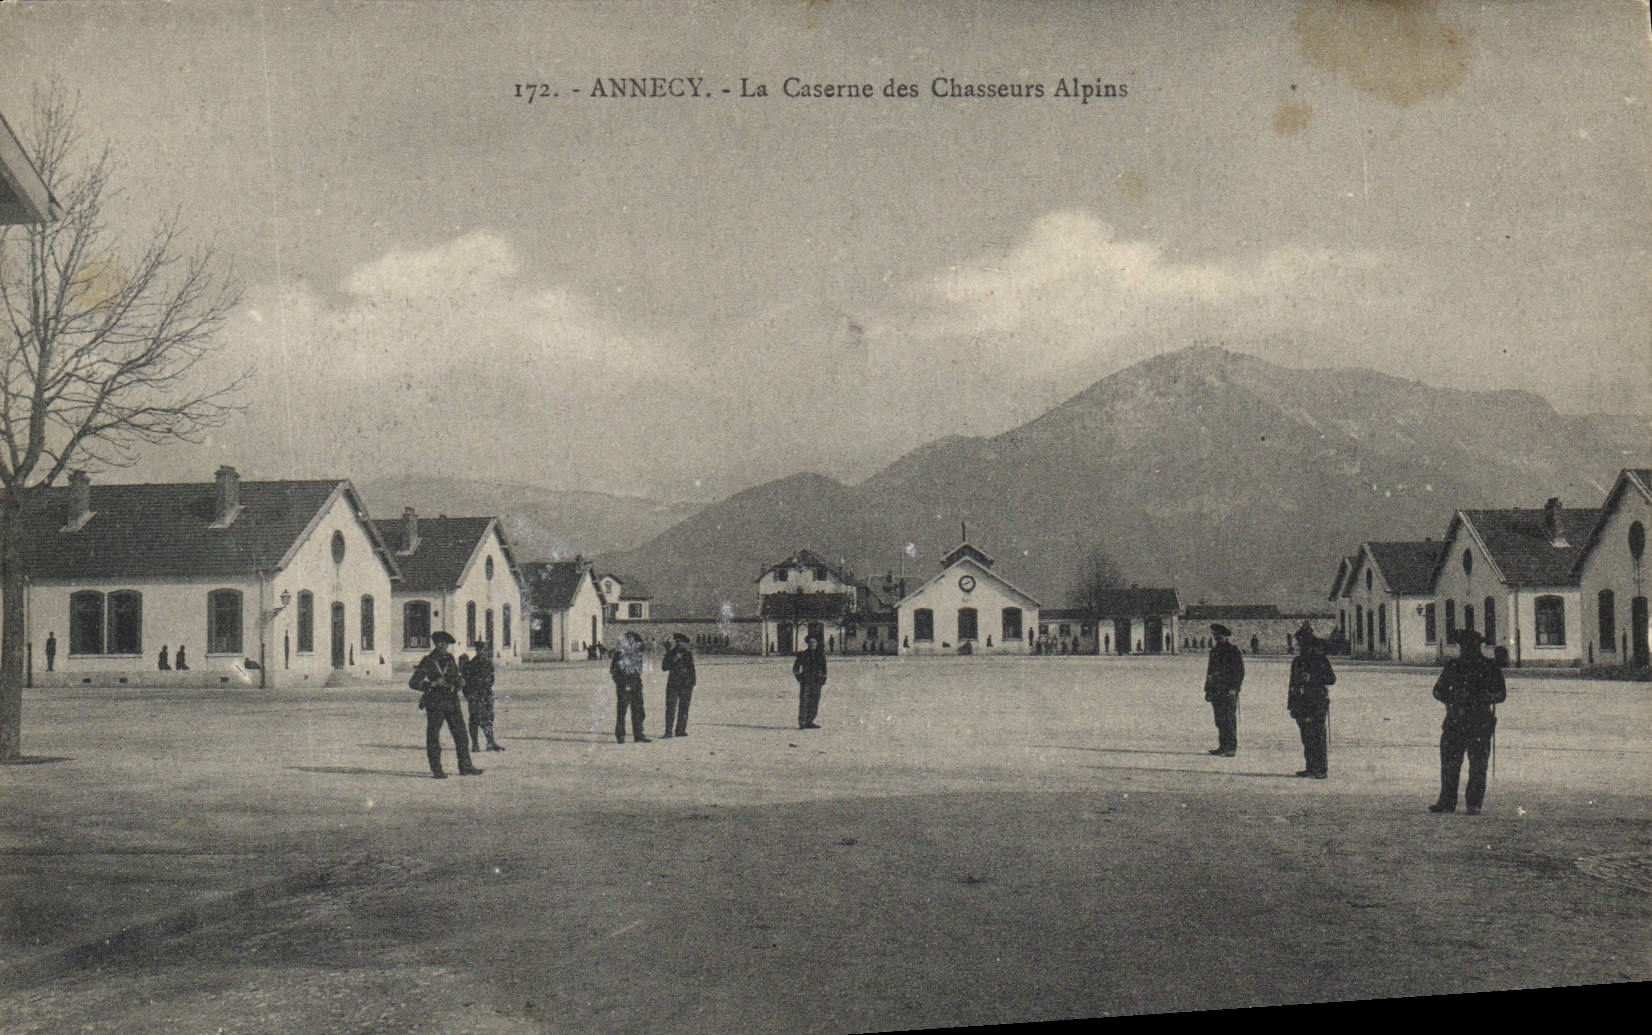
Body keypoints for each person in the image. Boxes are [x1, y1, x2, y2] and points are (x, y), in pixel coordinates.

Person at [1429, 628, 1507, 815]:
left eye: (1470, 646)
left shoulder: (1490, 667)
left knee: (1478, 765)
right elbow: (1438, 690)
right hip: (1455, 721)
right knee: (1449, 764)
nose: (1466, 649)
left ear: (1478, 646)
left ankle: (1474, 803)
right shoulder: (1453, 666)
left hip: (1479, 722)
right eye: (1463, 646)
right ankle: (1447, 801)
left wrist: (1482, 697)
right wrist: (1452, 697)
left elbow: (1501, 694)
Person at [410, 630, 483, 779]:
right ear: (435, 644)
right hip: (435, 701)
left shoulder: (450, 659)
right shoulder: (428, 660)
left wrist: (459, 683)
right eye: (440, 643)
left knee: (461, 735)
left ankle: (465, 766)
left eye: (445, 643)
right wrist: (431, 683)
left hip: (451, 700)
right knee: (434, 736)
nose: (443, 645)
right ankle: (437, 769)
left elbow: (455, 677)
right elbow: (413, 682)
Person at [1286, 622, 1335, 778]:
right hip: (1301, 702)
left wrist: (1313, 677)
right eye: (1299, 643)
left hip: (1317, 701)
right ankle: (1310, 766)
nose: (1299, 646)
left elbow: (1331, 679)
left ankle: (1321, 769)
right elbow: (1292, 684)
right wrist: (1291, 705)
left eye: (1302, 643)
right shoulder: (1297, 661)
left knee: (1317, 735)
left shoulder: (1320, 659)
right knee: (1306, 736)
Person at [1203, 623, 1245, 756]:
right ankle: (1222, 745)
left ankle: (1231, 747)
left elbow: (1239, 671)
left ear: (1226, 636)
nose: (1217, 638)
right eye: (1215, 635)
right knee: (1219, 719)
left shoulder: (1233, 651)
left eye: (1219, 636)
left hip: (1228, 690)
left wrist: (1234, 688)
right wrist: (1208, 690)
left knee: (1228, 719)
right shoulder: (1214, 651)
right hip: (1216, 690)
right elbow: (1210, 672)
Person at [610, 631, 649, 743]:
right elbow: (614, 671)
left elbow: (639, 669)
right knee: (622, 711)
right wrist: (621, 683)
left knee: (638, 710)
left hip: (636, 684)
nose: (633, 643)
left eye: (634, 641)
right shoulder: (619, 654)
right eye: (630, 640)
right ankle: (620, 736)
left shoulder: (637, 654)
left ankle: (639, 734)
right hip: (624, 685)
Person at [463, 641, 502, 752]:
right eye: (481, 650)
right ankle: (476, 744)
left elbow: (491, 680)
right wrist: (469, 695)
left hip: (486, 695)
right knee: (475, 719)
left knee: (488, 718)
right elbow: (465, 682)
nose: (483, 652)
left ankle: (490, 742)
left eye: (484, 650)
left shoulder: (488, 664)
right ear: (477, 651)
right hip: (476, 696)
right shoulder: (470, 665)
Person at [661, 632, 697, 738]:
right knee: (670, 708)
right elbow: (664, 667)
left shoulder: (688, 654)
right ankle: (668, 731)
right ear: (677, 642)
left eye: (684, 643)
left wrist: (693, 682)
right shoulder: (670, 653)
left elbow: (692, 669)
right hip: (673, 684)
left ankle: (680, 730)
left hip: (686, 684)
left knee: (684, 708)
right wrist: (674, 659)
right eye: (680, 642)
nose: (682, 644)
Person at [793, 633, 827, 729]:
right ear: (807, 643)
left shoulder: (820, 655)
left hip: (817, 681)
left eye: (813, 642)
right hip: (806, 681)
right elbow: (795, 668)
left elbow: (824, 668)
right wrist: (799, 677)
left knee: (814, 701)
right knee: (804, 701)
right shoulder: (802, 654)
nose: (811, 644)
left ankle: (810, 721)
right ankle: (802, 722)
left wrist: (823, 679)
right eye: (810, 642)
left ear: (816, 643)